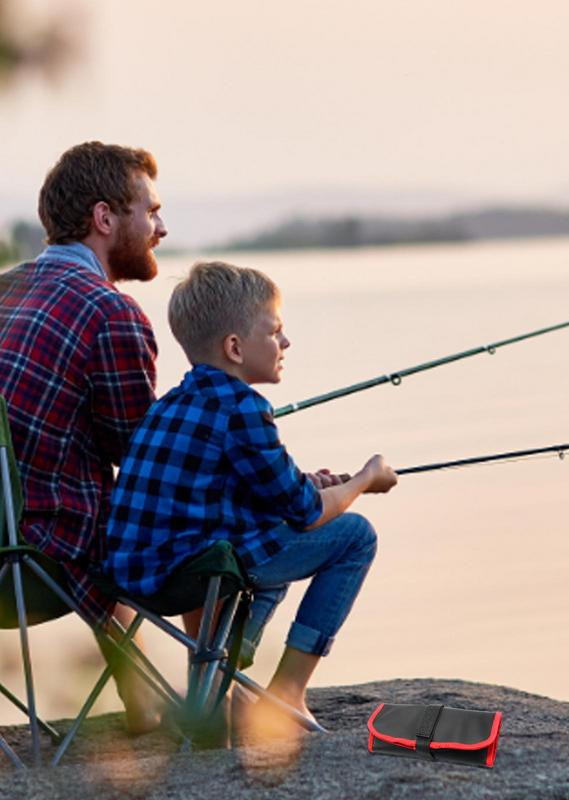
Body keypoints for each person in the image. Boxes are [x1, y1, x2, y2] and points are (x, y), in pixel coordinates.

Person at [103, 260, 397, 733]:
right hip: (196, 575)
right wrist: (365, 478)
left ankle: (222, 685)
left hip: (134, 578)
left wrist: (308, 480)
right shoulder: (243, 407)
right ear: (235, 348)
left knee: (267, 531)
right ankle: (286, 692)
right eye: (276, 331)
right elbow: (305, 511)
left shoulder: (169, 405)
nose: (285, 343)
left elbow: (240, 484)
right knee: (354, 536)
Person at [0, 141, 168, 733]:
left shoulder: (4, 289)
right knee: (194, 509)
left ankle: (142, 695)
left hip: (10, 541)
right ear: (104, 218)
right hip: (33, 566)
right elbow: (143, 463)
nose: (161, 227)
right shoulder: (109, 312)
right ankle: (214, 700)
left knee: (80, 496)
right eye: (150, 211)